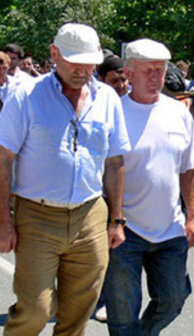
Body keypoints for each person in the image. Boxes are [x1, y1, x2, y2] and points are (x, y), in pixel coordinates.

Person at [0, 23, 130, 335]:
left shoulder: (108, 98)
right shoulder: (26, 96)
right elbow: (4, 160)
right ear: (54, 54)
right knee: (36, 309)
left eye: (88, 62)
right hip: (37, 216)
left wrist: (117, 219)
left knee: (78, 312)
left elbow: (114, 163)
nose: (82, 69)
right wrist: (4, 220)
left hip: (90, 216)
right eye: (73, 61)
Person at [102, 38, 194, 335]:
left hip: (170, 229)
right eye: (148, 71)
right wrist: (111, 221)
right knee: (122, 312)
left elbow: (189, 168)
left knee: (173, 298)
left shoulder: (178, 112)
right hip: (124, 230)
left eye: (160, 70)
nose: (156, 77)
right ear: (129, 73)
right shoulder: (113, 112)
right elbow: (103, 171)